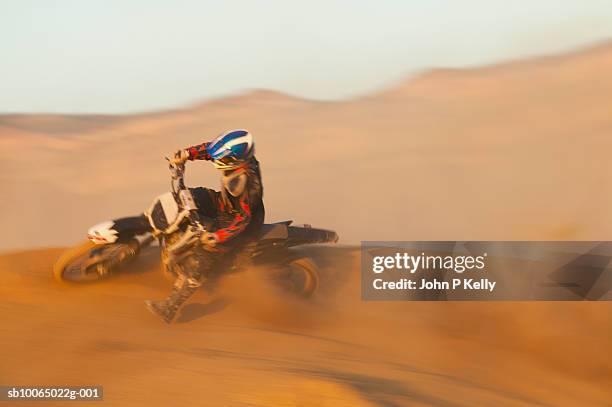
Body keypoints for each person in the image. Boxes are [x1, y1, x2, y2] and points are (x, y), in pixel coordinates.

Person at [145, 129, 265, 323]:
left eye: (223, 159)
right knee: (190, 197)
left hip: (239, 221)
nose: (218, 160)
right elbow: (211, 150)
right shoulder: (236, 158)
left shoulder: (249, 185)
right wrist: (186, 154)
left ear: (235, 160)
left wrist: (218, 237)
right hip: (225, 203)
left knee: (204, 254)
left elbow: (242, 220)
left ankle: (170, 307)